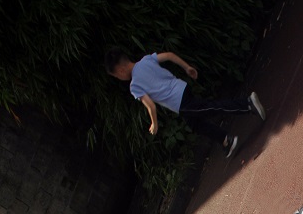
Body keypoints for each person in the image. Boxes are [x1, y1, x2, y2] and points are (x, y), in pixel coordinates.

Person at [104, 48, 266, 158]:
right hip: (182, 88)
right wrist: (186, 67)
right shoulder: (146, 60)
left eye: (117, 77)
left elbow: (150, 106)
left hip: (179, 103)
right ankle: (226, 140)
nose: (120, 78)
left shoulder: (134, 86)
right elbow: (169, 55)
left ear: (120, 71)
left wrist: (154, 124)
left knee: (212, 107)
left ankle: (247, 104)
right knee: (195, 124)